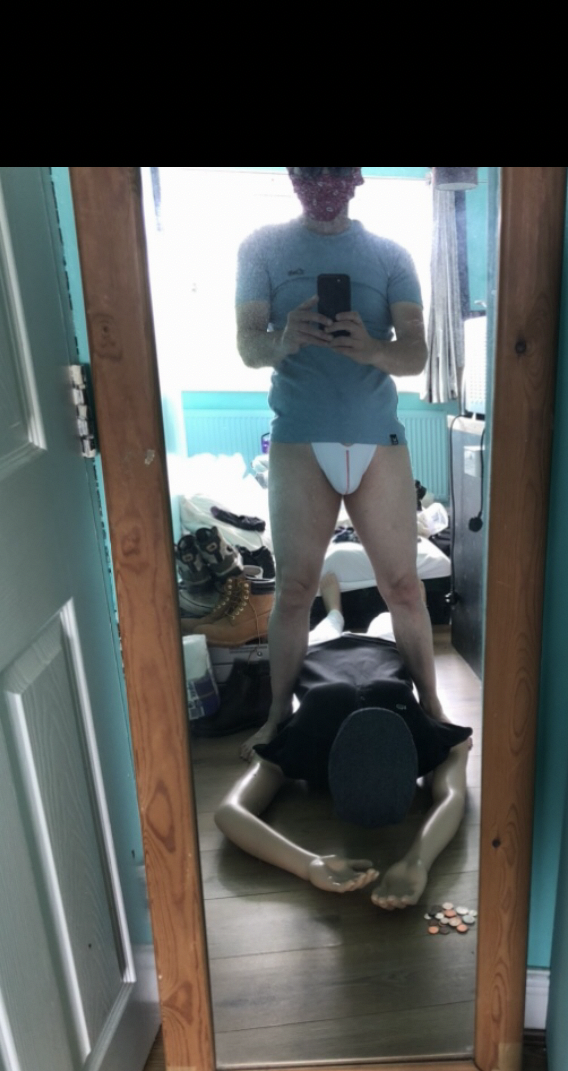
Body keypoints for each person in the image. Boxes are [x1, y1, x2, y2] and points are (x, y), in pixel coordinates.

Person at [235, 166, 448, 760]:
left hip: (379, 440)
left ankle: (432, 705)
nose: (323, 183)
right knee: (294, 590)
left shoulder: (391, 255)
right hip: (299, 441)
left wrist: (372, 347)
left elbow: (416, 354)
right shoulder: (260, 248)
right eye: (310, 172)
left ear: (355, 178)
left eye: (335, 172)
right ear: (293, 176)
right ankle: (277, 716)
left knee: (404, 587)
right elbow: (248, 344)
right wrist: (284, 340)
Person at [214, 576, 473, 911]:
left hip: (345, 651)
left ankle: (350, 606)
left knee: (378, 622)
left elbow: (229, 812)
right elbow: (453, 791)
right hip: (353, 650)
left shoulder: (307, 744)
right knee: (350, 624)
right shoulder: (315, 737)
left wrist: (309, 864)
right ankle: (339, 607)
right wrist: (418, 860)